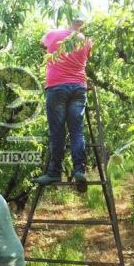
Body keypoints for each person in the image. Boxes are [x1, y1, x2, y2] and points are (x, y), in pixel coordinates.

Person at [33, 18, 92, 191]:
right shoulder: (87, 41)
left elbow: (42, 43)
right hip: (79, 88)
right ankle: (80, 170)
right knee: (77, 131)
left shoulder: (54, 34)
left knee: (57, 132)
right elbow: (85, 56)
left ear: (69, 20)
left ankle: (54, 172)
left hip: (57, 87)